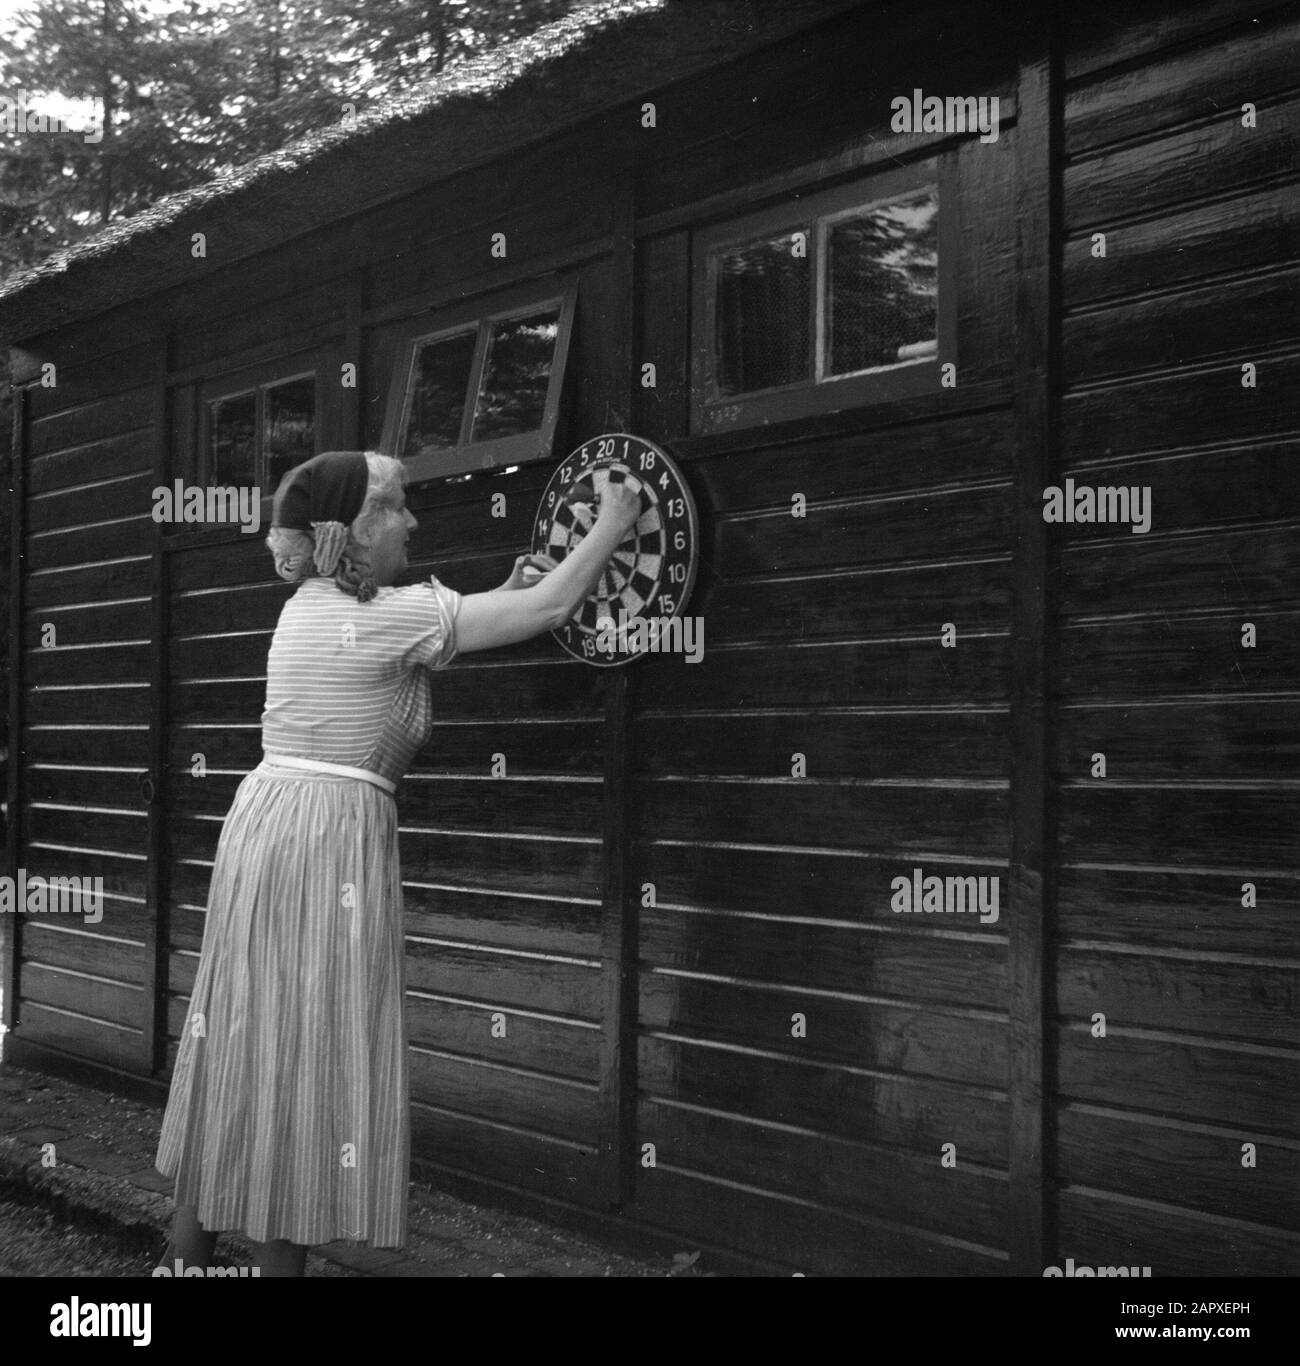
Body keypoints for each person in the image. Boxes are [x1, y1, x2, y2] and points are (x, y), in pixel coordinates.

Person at [154, 448, 642, 1276]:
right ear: (359, 528)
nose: (414, 522)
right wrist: (614, 522)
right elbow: (548, 606)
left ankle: (185, 1261)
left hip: (269, 824)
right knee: (310, 1045)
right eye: (400, 506)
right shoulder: (393, 613)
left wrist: (516, 587)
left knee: (246, 1034)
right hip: (325, 843)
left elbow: (472, 612)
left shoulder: (313, 603)